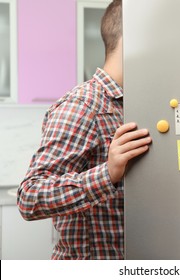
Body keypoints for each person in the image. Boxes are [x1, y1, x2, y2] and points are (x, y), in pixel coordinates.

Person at [17, 0, 151, 260]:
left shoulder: (137, 103)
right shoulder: (84, 104)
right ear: (132, 37)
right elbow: (29, 197)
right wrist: (107, 174)